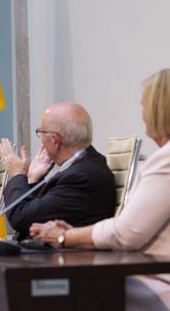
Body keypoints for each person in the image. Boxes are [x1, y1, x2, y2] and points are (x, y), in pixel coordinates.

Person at [30, 68, 170, 310]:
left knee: (51, 294)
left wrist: (64, 236)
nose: (143, 115)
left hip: (156, 281)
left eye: (143, 105)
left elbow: (126, 233)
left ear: (158, 109)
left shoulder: (166, 160)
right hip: (145, 271)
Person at [0, 102, 116, 239]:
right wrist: (33, 179)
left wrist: (17, 174)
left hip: (63, 258)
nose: (41, 141)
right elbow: (40, 211)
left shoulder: (81, 178)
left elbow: (21, 218)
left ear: (55, 140)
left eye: (40, 133)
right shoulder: (82, 166)